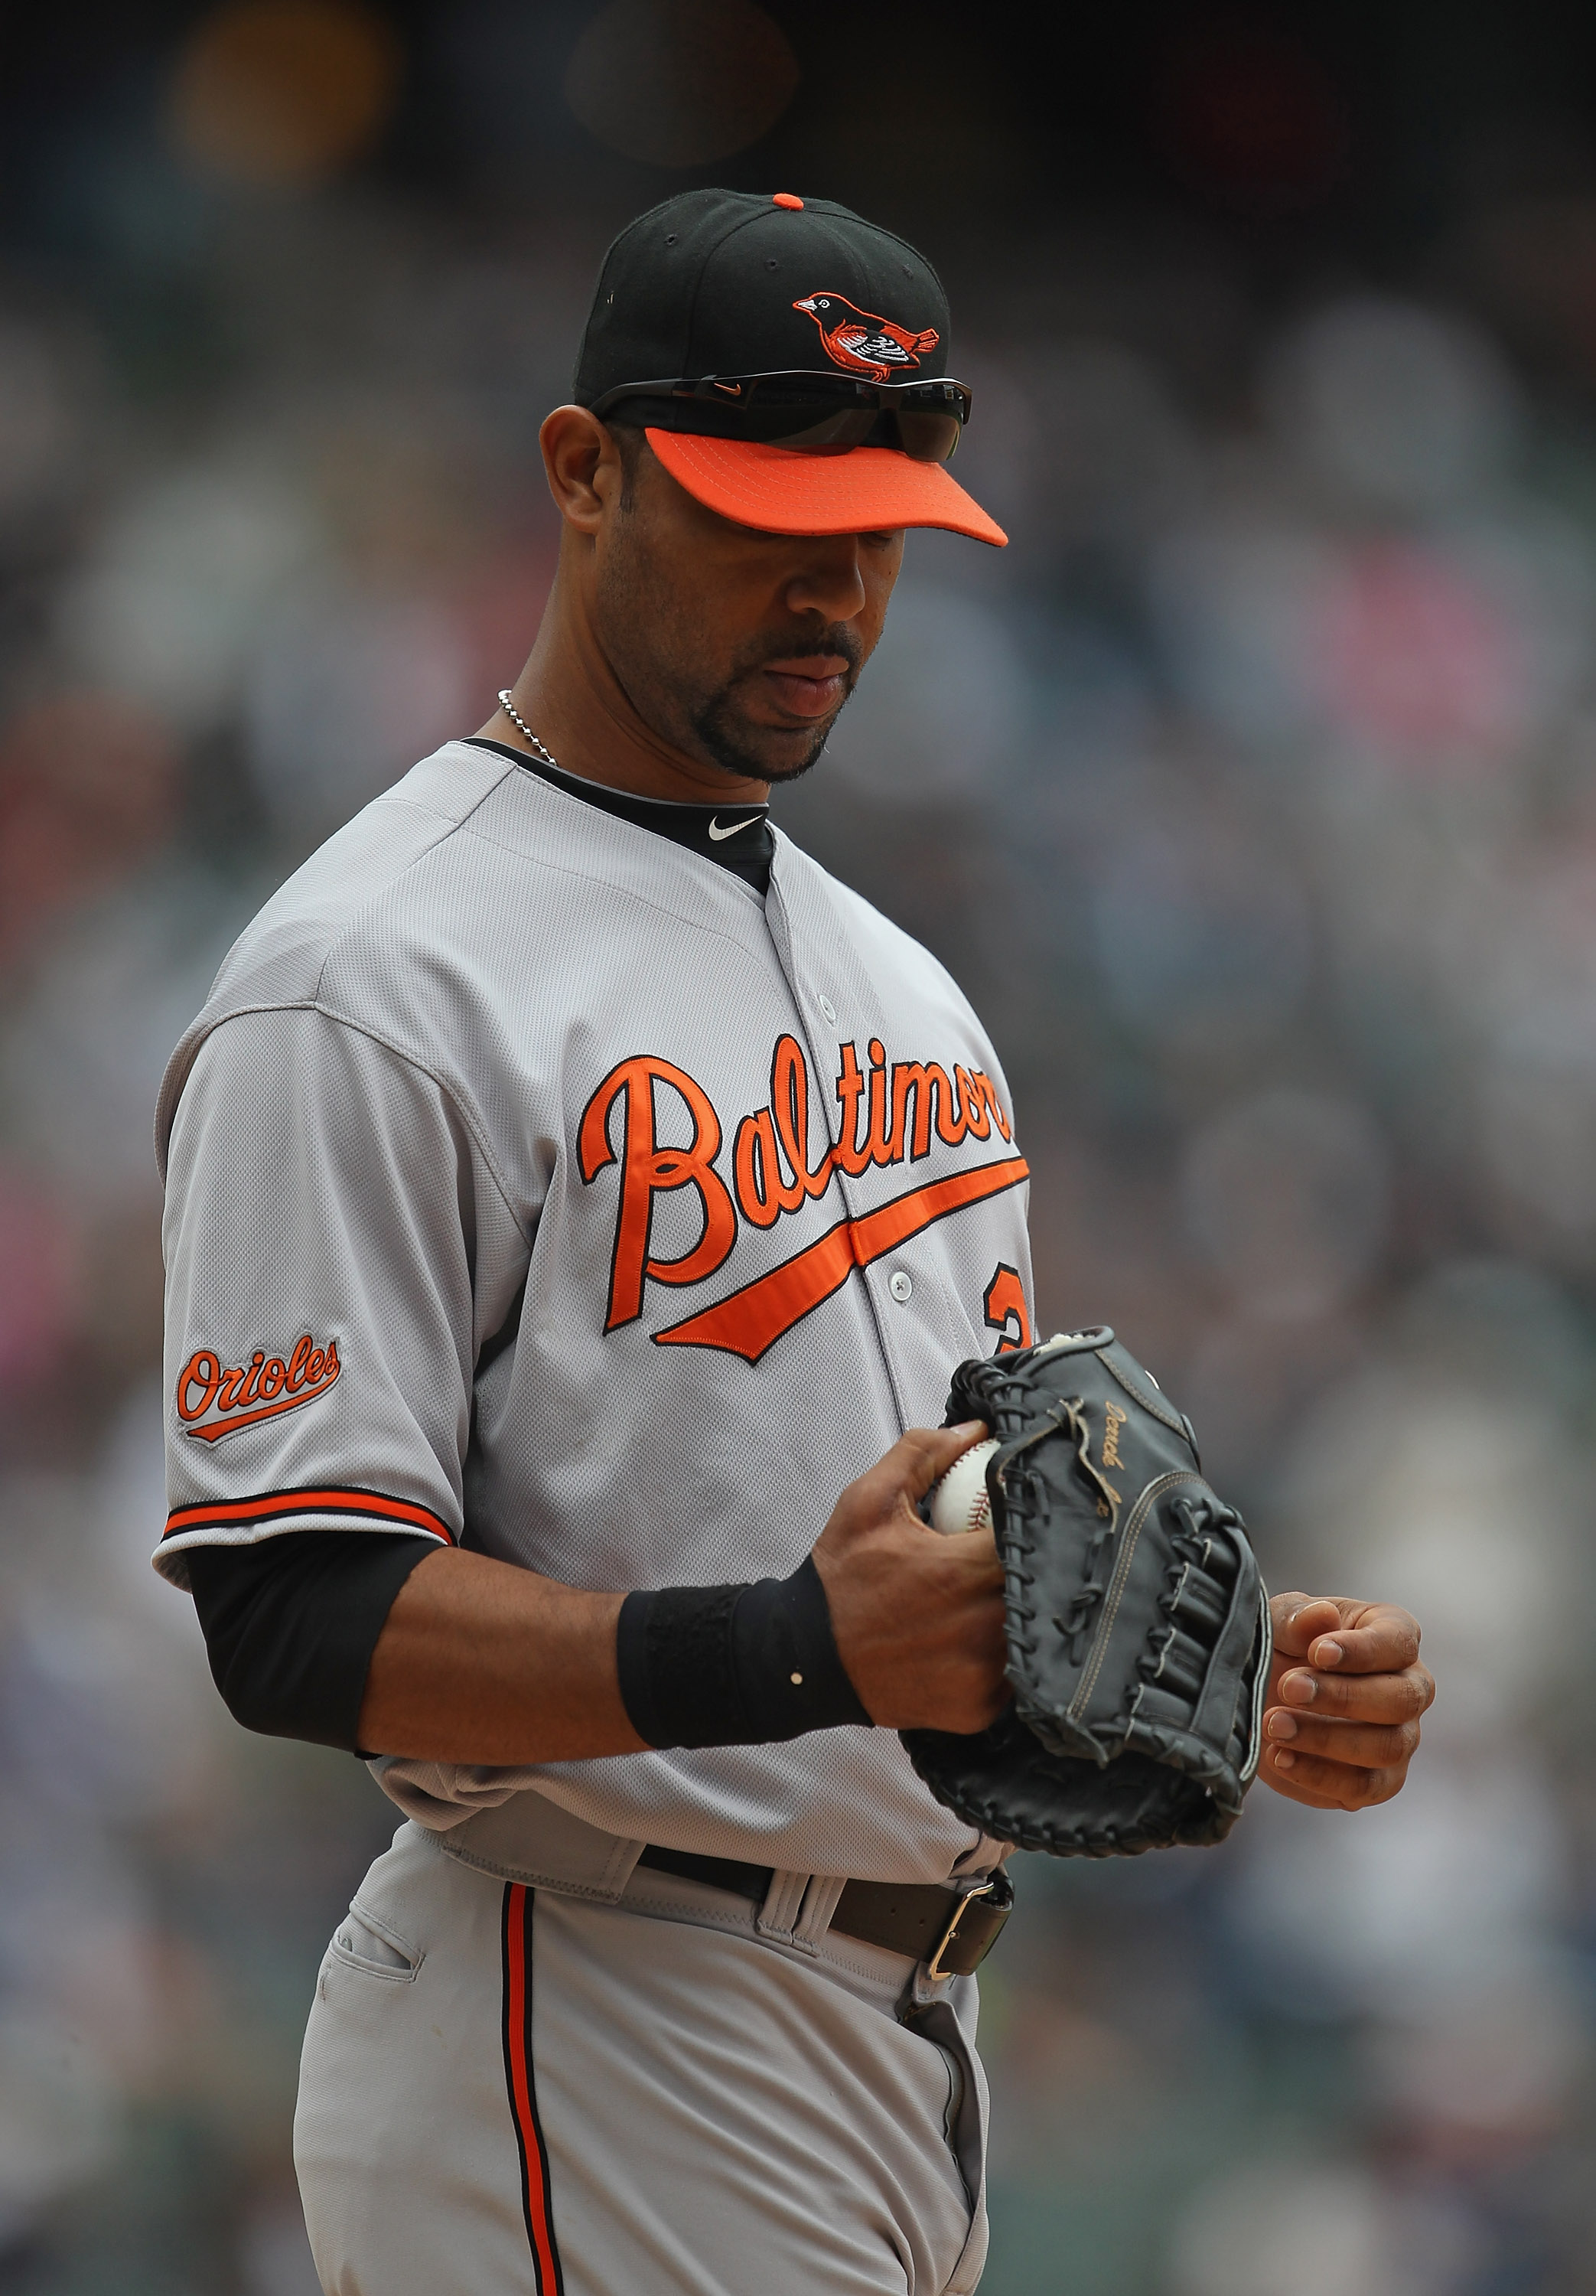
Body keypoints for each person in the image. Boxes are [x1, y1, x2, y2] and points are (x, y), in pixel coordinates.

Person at [155, 190, 1434, 2296]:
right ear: (584, 474)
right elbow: (292, 1613)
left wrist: (1229, 1667)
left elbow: (918, 1556)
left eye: (878, 527)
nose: (834, 586)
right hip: (592, 1995)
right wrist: (801, 1649)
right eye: (766, 516)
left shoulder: (906, 986)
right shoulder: (374, 972)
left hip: (895, 2037)